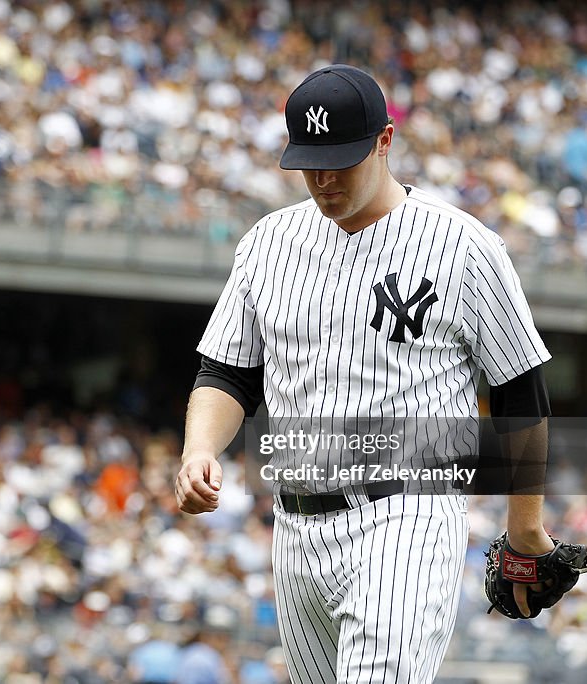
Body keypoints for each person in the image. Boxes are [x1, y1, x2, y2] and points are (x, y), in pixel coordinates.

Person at [175, 64, 555, 683]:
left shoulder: (461, 244)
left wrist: (525, 528)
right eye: (310, 162)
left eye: (341, 160)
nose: (323, 179)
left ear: (384, 141)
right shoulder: (267, 243)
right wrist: (198, 450)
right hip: (295, 525)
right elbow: (227, 372)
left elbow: (520, 389)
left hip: (407, 513)